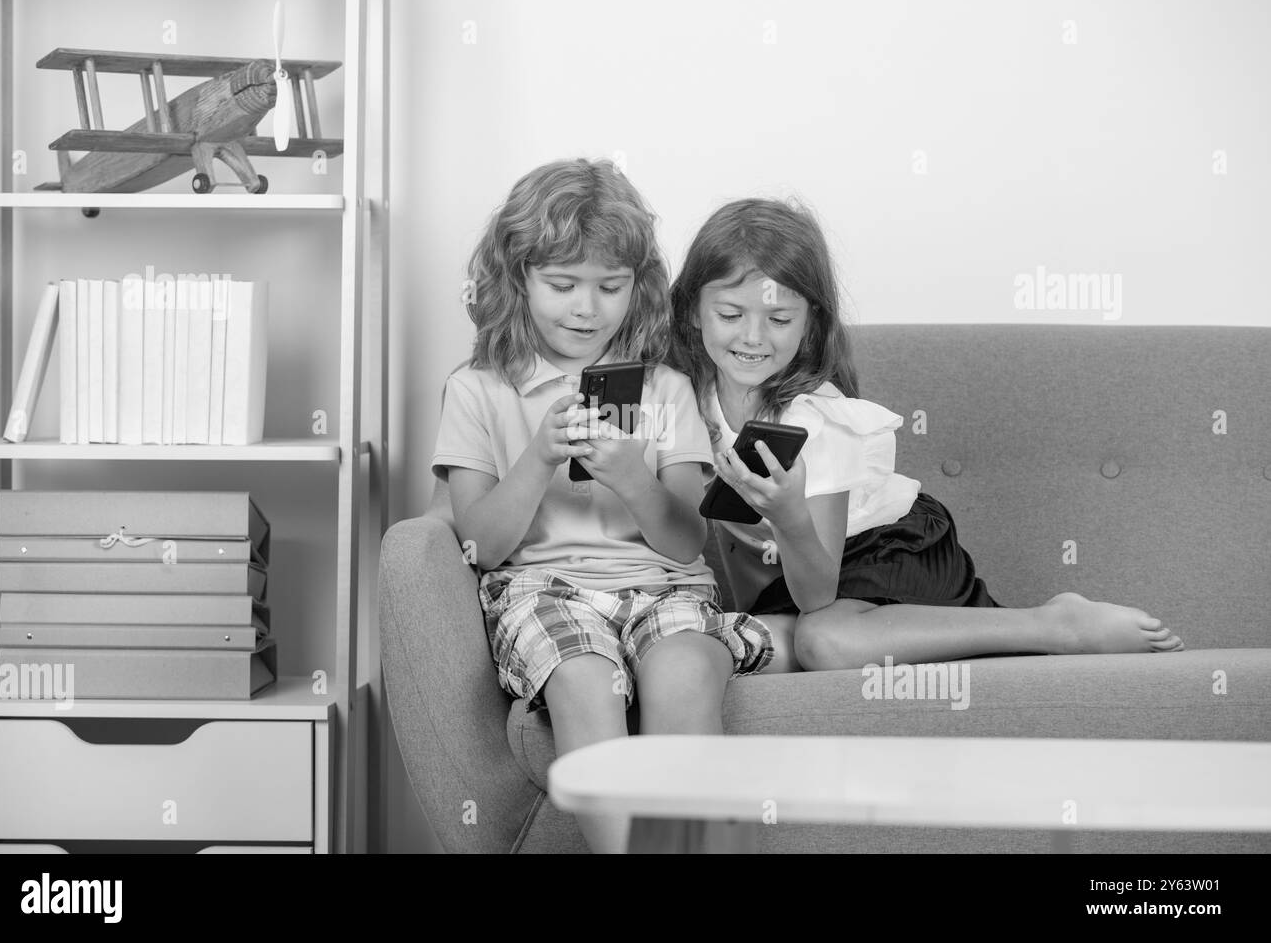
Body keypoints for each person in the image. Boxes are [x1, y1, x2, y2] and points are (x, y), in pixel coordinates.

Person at [666, 198, 1185, 672]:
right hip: (802, 578)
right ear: (692, 309)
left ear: (810, 323)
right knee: (743, 647)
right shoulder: (689, 394)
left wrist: (789, 515)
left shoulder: (816, 419)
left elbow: (817, 595)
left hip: (886, 550)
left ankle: (1053, 625)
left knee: (825, 641)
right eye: (731, 314)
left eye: (779, 318)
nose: (752, 337)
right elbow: (735, 545)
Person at [431, 160, 773, 853]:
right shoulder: (477, 389)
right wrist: (537, 460)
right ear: (516, 277)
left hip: (663, 587)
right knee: (585, 677)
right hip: (541, 591)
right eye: (562, 285)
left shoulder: (666, 388)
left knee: (682, 671)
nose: (586, 309)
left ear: (636, 288)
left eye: (610, 287)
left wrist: (632, 477)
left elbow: (684, 541)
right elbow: (480, 547)